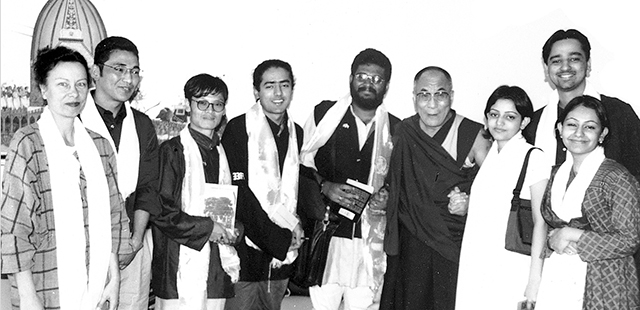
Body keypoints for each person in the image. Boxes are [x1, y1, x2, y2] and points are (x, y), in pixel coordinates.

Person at [1, 46, 132, 309]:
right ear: (43, 89)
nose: (74, 93)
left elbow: (114, 216)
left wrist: (114, 279)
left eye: (81, 84)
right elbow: (14, 227)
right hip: (44, 283)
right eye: (63, 84)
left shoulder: (100, 147)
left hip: (97, 286)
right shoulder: (28, 143)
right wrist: (28, 297)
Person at [380, 66, 491, 310]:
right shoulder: (403, 132)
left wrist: (471, 202)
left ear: (451, 96)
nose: (432, 104)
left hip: (452, 242)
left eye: (440, 94)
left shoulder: (473, 134)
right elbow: (392, 184)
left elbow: (497, 187)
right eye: (424, 95)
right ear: (414, 98)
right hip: (411, 242)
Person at [298, 48, 399, 310]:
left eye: (376, 79)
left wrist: (387, 195)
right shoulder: (325, 115)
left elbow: (399, 182)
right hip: (328, 238)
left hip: (369, 243)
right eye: (362, 76)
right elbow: (300, 165)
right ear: (351, 79)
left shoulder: (397, 129)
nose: (368, 83)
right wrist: (325, 186)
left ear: (386, 86)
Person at [152, 74, 249, 309]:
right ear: (188, 105)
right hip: (179, 266)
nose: (210, 111)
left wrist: (235, 228)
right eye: (202, 103)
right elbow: (162, 212)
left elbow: (233, 206)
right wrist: (208, 228)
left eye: (217, 104)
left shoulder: (223, 153)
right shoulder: (172, 151)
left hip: (217, 267)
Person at [534, 95, 640, 309]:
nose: (579, 133)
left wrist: (572, 235)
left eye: (590, 127)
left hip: (603, 281)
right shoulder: (557, 173)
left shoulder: (616, 177)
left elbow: (630, 240)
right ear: (560, 128)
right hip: (559, 276)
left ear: (603, 134)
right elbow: (553, 226)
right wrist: (552, 239)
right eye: (572, 125)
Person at [79, 36, 162, 310]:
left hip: (132, 243)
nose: (129, 78)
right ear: (95, 72)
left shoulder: (142, 125)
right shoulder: (74, 117)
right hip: (82, 244)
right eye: (119, 68)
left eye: (135, 71)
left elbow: (149, 186)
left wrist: (136, 240)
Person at [455, 85, 550, 309]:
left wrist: (534, 281)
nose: (499, 122)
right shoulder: (490, 157)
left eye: (510, 117)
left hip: (510, 264)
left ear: (524, 122)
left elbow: (540, 222)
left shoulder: (533, 157)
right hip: (478, 260)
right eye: (494, 115)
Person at [222, 60, 305, 310]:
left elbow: (298, 190)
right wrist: (278, 239)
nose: (278, 93)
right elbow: (238, 194)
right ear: (256, 91)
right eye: (269, 86)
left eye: (284, 85)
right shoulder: (238, 129)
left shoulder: (297, 133)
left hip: (281, 256)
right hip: (247, 251)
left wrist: (295, 226)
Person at [523, 28, 640, 181]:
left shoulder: (618, 113)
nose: (565, 67)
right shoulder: (534, 123)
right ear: (546, 69)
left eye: (574, 59)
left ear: (588, 64)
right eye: (556, 61)